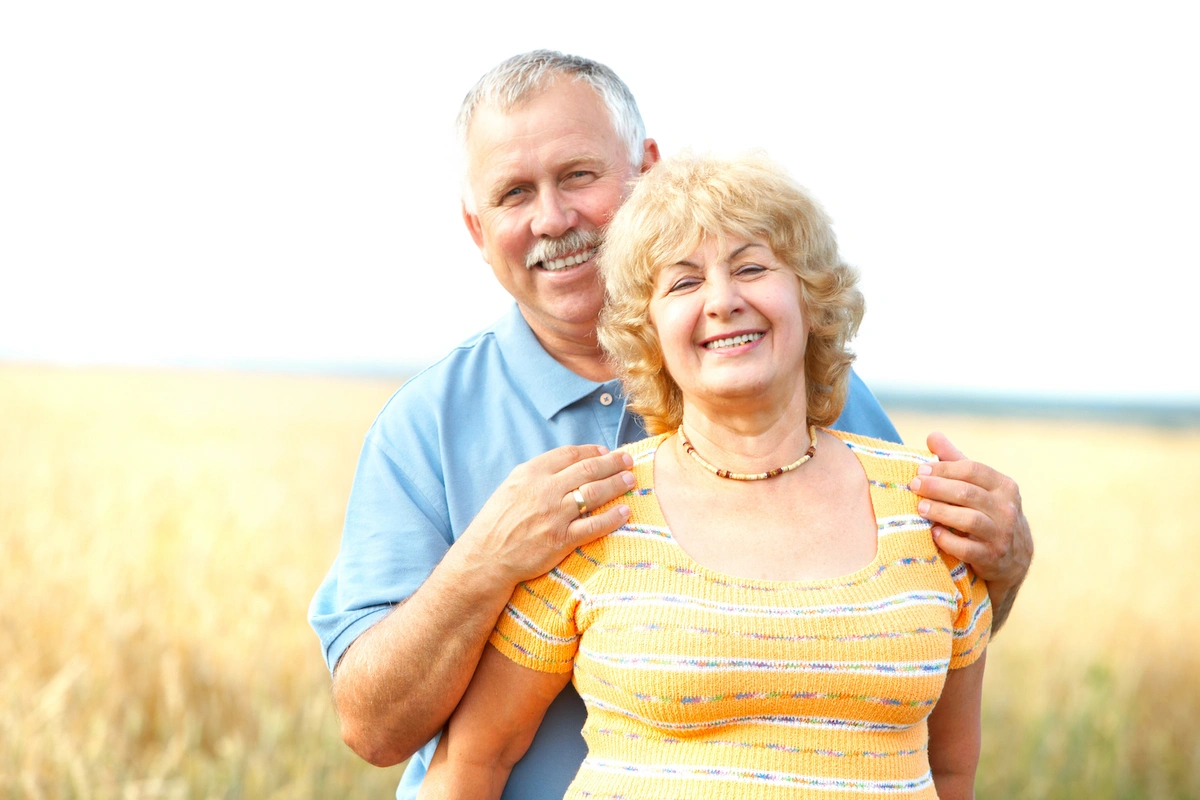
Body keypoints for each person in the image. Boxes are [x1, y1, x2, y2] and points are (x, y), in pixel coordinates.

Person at [308, 50, 1031, 800]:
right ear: (476, 227)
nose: (551, 218)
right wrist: (487, 560)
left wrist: (1004, 566)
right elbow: (377, 731)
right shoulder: (426, 428)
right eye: (515, 193)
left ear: (646, 170)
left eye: (578, 175)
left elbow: (909, 628)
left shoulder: (812, 392)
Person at [420, 151, 991, 800]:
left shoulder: (928, 506)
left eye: (751, 268)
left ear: (812, 297)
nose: (723, 301)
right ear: (648, 331)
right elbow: (472, 762)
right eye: (684, 283)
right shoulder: (597, 512)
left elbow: (950, 769)